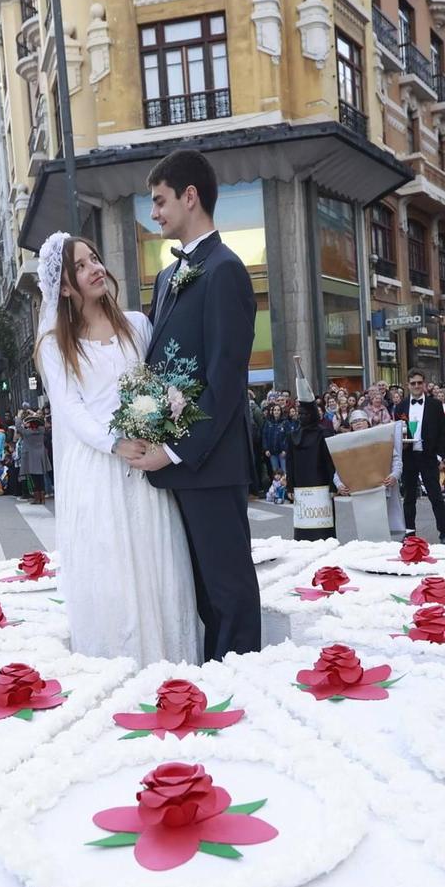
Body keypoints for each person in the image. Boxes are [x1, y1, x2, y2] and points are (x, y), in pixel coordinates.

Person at [118, 148, 259, 661]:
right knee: (201, 594)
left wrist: (173, 451)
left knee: (230, 592)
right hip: (180, 466)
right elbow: (163, 366)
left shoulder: (225, 271)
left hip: (212, 465)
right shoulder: (166, 276)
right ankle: (217, 682)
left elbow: (225, 381)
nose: (153, 213)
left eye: (159, 201)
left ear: (190, 196)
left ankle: (244, 686)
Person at [35, 230, 199, 664]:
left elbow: (160, 384)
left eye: (95, 259)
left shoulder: (138, 326)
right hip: (98, 471)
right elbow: (70, 409)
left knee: (159, 565)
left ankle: (173, 669)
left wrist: (158, 425)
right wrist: (114, 442)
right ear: (65, 286)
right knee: (113, 575)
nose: (95, 269)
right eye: (82, 266)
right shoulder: (55, 345)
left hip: (146, 467)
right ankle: (118, 670)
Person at [395, 369, 445, 543]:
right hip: (409, 457)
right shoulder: (401, 406)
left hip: (428, 456)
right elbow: (397, 431)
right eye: (413, 383)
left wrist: (440, 457)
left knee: (435, 496)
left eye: (420, 382)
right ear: (408, 385)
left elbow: (443, 432)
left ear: (424, 383)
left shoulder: (435, 405)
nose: (417, 386)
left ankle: (444, 533)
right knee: (409, 498)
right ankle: (410, 533)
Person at [287, 398, 337, 541]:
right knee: (304, 525)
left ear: (313, 415)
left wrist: (333, 485)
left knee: (323, 529)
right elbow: (289, 463)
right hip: (301, 484)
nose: (302, 417)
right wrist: (290, 486)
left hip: (321, 482)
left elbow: (329, 462)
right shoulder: (293, 435)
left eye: (306, 414)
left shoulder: (324, 433)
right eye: (300, 414)